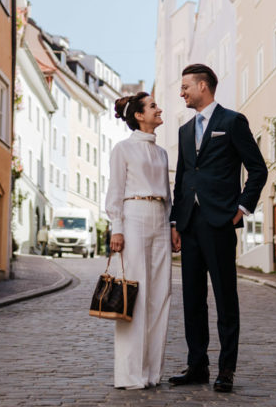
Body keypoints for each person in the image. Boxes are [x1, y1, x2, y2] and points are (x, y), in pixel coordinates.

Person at [169, 64, 268, 394]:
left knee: (226, 297)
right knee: (193, 299)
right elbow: (182, 180)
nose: (181, 92)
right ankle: (197, 365)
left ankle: (226, 369)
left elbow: (257, 169)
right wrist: (175, 222)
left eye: (185, 87)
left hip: (220, 221)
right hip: (190, 225)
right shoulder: (184, 131)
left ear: (202, 86)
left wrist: (241, 209)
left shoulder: (232, 122)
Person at [105, 92, 172, 389]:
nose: (159, 109)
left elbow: (169, 194)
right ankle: (130, 374)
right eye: (153, 106)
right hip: (133, 216)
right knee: (134, 294)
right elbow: (115, 190)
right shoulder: (123, 149)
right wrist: (116, 227)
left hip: (160, 217)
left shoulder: (162, 153)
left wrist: (172, 225)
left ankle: (151, 373)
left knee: (161, 295)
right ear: (139, 115)